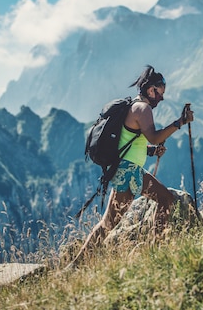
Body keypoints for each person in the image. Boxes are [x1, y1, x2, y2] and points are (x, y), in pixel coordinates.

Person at [67, 65, 194, 267]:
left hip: (127, 169)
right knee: (112, 222)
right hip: (128, 173)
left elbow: (132, 142)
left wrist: (151, 151)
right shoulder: (142, 109)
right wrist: (179, 122)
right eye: (159, 94)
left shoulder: (133, 106)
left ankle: (76, 264)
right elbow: (153, 136)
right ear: (150, 89)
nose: (160, 99)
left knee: (161, 200)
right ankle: (154, 252)